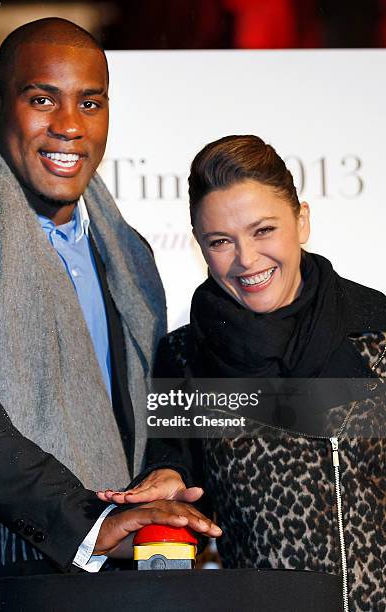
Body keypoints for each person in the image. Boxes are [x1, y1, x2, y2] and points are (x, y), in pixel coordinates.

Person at [0, 18, 221, 589]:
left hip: (102, 584)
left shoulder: (129, 253)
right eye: (42, 99)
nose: (68, 126)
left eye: (90, 104)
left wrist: (166, 469)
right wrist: (85, 520)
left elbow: (148, 404)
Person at [106, 135, 386, 610]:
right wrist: (165, 481)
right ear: (200, 245)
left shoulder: (375, 330)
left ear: (302, 220)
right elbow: (179, 478)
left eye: (263, 231)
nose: (247, 260)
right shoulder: (186, 359)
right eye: (221, 242)